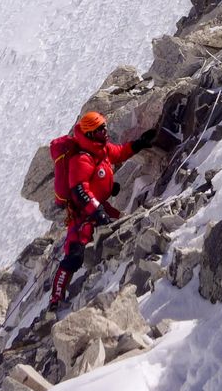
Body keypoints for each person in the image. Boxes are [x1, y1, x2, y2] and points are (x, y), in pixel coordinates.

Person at [48, 110, 159, 310]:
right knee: (74, 255)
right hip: (82, 216)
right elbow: (80, 190)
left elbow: (118, 152)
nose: (105, 131)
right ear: (90, 134)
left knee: (124, 225)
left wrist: (139, 143)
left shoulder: (101, 148)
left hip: (100, 206)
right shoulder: (81, 159)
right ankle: (55, 299)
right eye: (100, 130)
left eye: (104, 127)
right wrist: (97, 212)